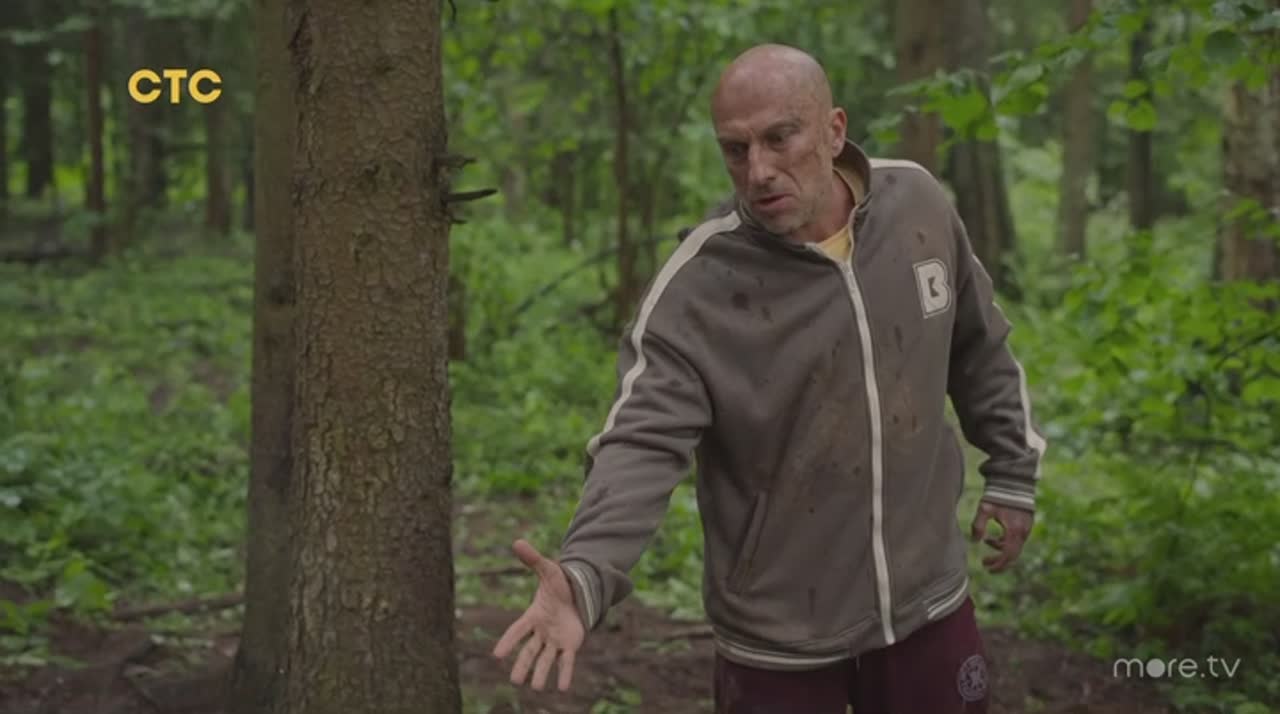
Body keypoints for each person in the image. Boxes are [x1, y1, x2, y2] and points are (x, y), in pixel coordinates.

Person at [492, 43, 1045, 714]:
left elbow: (980, 346)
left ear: (834, 131)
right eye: (736, 150)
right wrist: (586, 573)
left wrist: (1012, 471)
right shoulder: (699, 286)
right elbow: (640, 442)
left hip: (929, 605)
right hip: (778, 639)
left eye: (781, 138)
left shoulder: (917, 207)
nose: (758, 171)